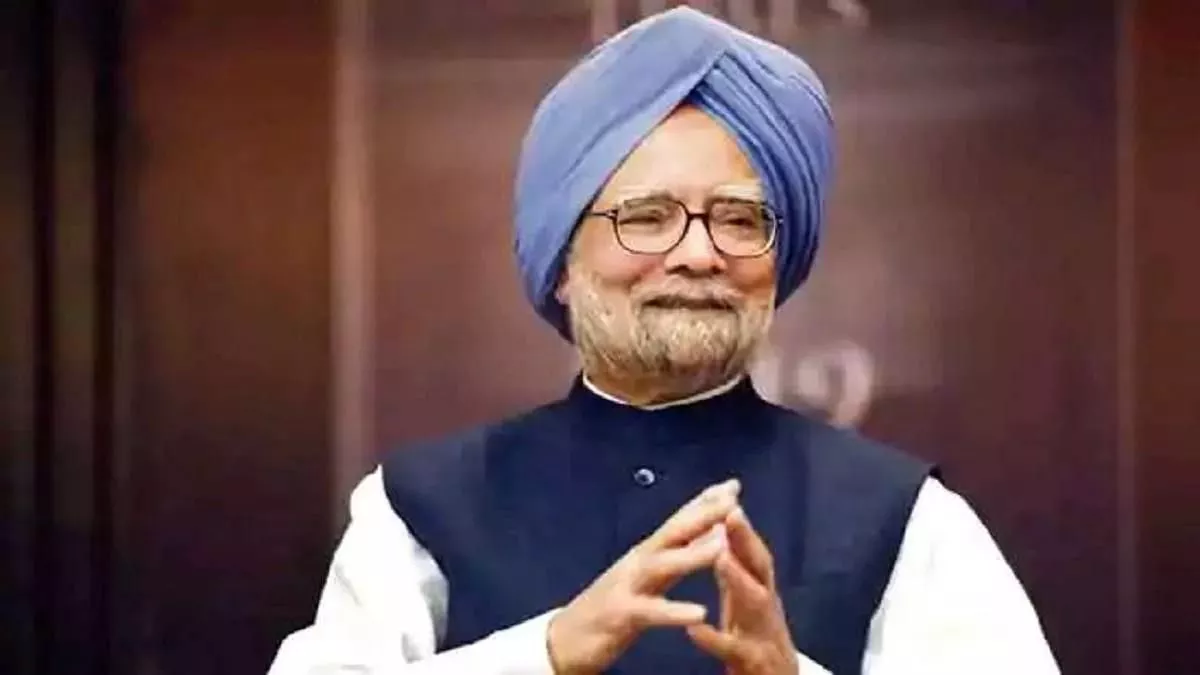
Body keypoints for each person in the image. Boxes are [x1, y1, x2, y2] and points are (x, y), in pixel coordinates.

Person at [269, 7, 1058, 675]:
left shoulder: (903, 516)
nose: (698, 252)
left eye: (739, 219)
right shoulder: (421, 507)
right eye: (646, 217)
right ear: (562, 264)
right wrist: (547, 652)